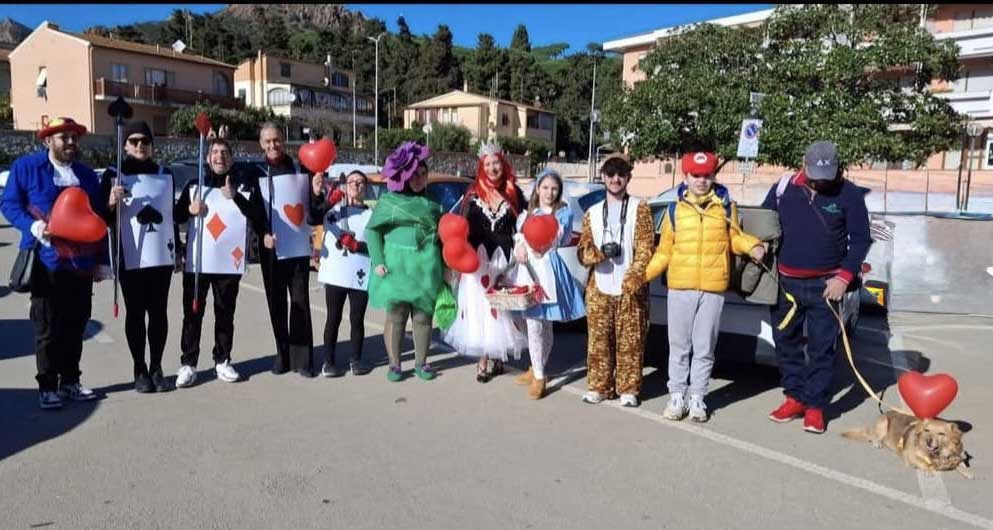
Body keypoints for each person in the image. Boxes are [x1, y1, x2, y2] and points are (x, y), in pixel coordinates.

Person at [645, 151, 765, 422]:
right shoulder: (674, 210)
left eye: (707, 175)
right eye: (696, 175)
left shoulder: (725, 207)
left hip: (712, 288)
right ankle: (677, 396)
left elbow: (735, 238)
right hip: (680, 287)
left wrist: (752, 245)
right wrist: (642, 276)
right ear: (686, 177)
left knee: (704, 348)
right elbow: (664, 252)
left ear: (713, 176)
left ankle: (697, 397)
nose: (701, 180)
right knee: (679, 346)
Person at [761, 141, 872, 434]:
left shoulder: (849, 194)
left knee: (822, 349)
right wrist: (760, 244)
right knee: (786, 344)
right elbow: (764, 223)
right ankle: (794, 397)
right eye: (815, 175)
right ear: (803, 163)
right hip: (785, 284)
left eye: (827, 176)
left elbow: (861, 239)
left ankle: (815, 406)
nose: (821, 182)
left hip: (827, 286)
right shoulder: (783, 189)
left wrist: (843, 278)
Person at [1, 117, 109, 409]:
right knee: (48, 327)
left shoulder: (86, 175)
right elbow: (9, 204)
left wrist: (101, 261)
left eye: (74, 137)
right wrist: (33, 226)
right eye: (64, 137)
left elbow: (97, 216)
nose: (71, 142)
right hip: (45, 261)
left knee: (76, 324)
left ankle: (70, 381)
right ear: (48, 140)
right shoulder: (27, 167)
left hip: (81, 263)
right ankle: (47, 385)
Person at [174, 137, 266, 388]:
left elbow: (256, 216)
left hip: (227, 263)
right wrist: (189, 209)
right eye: (215, 152)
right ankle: (188, 363)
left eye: (224, 152)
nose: (219, 157)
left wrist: (236, 197)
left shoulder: (241, 186)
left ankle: (222, 360)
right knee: (192, 313)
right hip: (198, 262)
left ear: (231, 159)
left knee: (225, 313)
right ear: (208, 158)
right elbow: (176, 215)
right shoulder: (195, 185)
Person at [442, 140, 528, 383]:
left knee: (501, 308)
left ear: (503, 165)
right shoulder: (472, 193)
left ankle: (497, 357)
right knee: (480, 308)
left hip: (504, 261)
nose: (492, 168)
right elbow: (460, 228)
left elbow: (523, 224)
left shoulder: (514, 193)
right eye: (488, 164)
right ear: (482, 167)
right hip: (478, 262)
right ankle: (483, 358)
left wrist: (521, 243)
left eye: (496, 163)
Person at [101, 121, 177, 393]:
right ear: (125, 145)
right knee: (135, 313)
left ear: (152, 145)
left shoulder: (164, 173)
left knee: (158, 313)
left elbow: (170, 215)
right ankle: (139, 368)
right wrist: (111, 202)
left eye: (145, 141)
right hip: (129, 256)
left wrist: (179, 248)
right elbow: (102, 217)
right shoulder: (113, 174)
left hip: (160, 256)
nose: (140, 145)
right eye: (134, 141)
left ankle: (156, 367)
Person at [576, 154, 654, 408]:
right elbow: (582, 250)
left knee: (630, 342)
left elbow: (646, 248)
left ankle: (628, 389)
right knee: (598, 341)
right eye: (610, 174)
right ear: (603, 177)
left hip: (630, 288)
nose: (615, 179)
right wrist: (599, 254)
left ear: (628, 177)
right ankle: (599, 386)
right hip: (599, 287)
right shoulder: (592, 213)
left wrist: (634, 277)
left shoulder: (639, 208)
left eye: (621, 174)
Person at [366, 142, 445, 381]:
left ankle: (421, 363)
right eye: (414, 174)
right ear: (404, 176)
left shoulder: (434, 204)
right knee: (396, 316)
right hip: (396, 268)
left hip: (425, 269)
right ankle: (395, 365)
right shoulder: (389, 201)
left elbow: (443, 236)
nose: (419, 179)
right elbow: (372, 231)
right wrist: (378, 260)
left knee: (423, 317)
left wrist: (448, 266)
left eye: (423, 174)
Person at [244, 123, 315, 377]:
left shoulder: (300, 169)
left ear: (283, 140)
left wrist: (318, 191)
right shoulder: (255, 173)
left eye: (276, 140)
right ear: (261, 144)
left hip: (297, 248)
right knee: (276, 304)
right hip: (270, 249)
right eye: (267, 141)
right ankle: (282, 355)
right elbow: (253, 211)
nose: (273, 145)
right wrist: (262, 234)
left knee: (300, 302)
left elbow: (312, 207)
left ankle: (303, 360)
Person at [511, 168, 586, 399]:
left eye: (554, 188)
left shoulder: (563, 213)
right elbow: (520, 236)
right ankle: (537, 369)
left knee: (545, 324)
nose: (549, 192)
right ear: (537, 189)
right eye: (545, 187)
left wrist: (541, 240)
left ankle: (539, 374)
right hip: (528, 270)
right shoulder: (528, 213)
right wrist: (519, 245)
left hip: (549, 270)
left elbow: (557, 238)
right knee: (531, 322)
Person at [310, 169, 373, 377]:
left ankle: (356, 360)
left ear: (366, 188)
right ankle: (328, 362)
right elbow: (312, 217)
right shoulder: (333, 211)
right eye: (352, 181)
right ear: (346, 186)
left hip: (359, 273)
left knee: (357, 318)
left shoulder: (371, 215)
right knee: (333, 317)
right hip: (336, 274)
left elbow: (378, 246)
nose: (356, 185)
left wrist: (358, 246)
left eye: (361, 182)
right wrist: (328, 201)